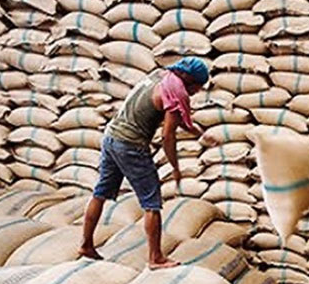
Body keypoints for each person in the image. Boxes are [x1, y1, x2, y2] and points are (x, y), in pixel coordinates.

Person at [78, 57, 217, 269]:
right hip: (130, 145)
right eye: (198, 87)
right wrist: (175, 168)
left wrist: (198, 133)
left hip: (111, 136)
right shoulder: (176, 93)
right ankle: (156, 258)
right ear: (189, 80)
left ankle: (86, 245)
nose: (197, 92)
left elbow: (177, 119)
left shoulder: (161, 76)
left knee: (100, 192)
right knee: (152, 203)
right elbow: (167, 136)